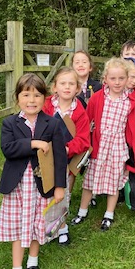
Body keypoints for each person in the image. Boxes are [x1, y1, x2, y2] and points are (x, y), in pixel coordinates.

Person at [0, 73, 67, 269]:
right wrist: (33, 143)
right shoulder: (10, 123)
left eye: (37, 95)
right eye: (26, 95)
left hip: (41, 186)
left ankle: (32, 261)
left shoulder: (53, 123)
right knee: (18, 227)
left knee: (38, 225)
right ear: (17, 98)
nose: (32, 100)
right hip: (18, 187)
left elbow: (59, 157)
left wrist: (59, 186)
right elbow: (8, 149)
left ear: (45, 98)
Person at [70, 57, 135, 231]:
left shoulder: (131, 102)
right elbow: (88, 120)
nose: (117, 83)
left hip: (118, 147)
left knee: (113, 182)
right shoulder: (97, 98)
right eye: (113, 78)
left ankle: (108, 214)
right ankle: (82, 211)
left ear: (127, 79)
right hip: (99, 146)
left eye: (121, 79)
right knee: (90, 181)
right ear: (105, 79)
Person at [42, 67, 90, 245]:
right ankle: (43, 224)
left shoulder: (79, 112)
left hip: (65, 159)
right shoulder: (45, 105)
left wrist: (68, 149)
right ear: (55, 87)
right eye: (63, 83)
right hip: (44, 157)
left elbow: (84, 139)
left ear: (78, 89)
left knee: (63, 194)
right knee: (44, 190)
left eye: (71, 84)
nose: (67, 87)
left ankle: (62, 227)